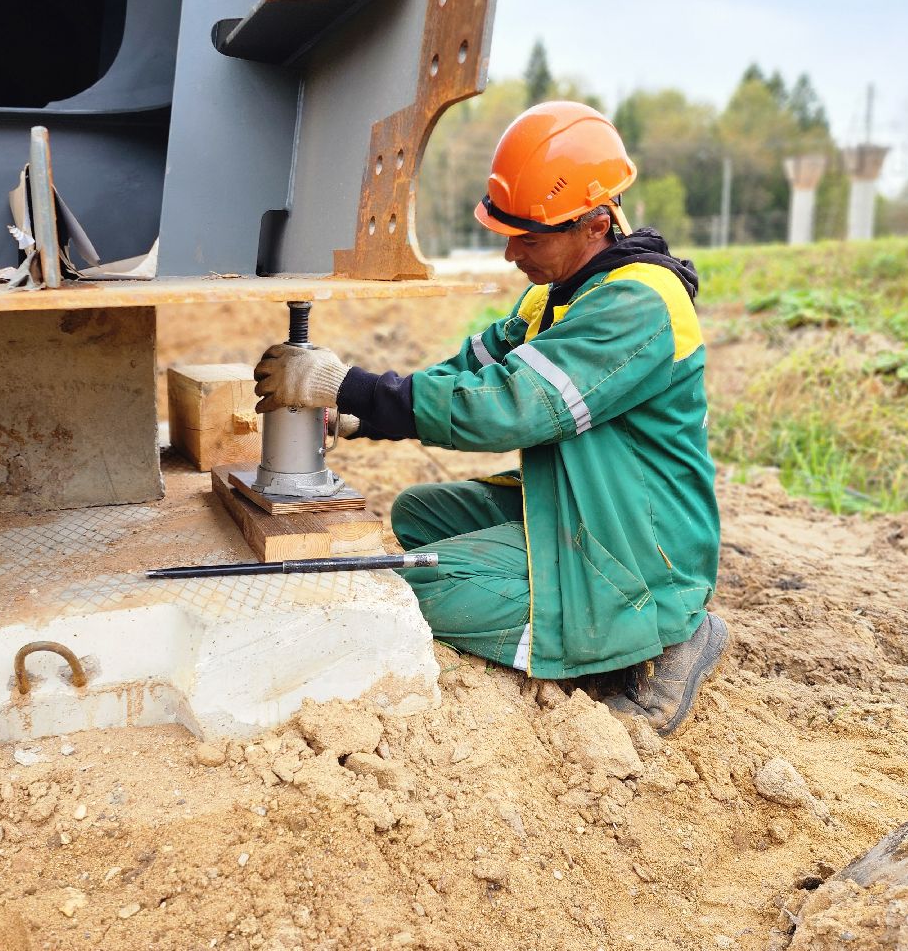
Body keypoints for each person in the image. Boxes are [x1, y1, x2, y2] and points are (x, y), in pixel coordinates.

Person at [254, 101, 726, 735]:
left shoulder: (637, 306)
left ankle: (664, 635)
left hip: (639, 544)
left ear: (592, 223)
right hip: (589, 503)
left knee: (411, 591)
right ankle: (582, 612)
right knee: (418, 513)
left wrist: (349, 384)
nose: (509, 253)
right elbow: (467, 373)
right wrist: (354, 411)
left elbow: (507, 408)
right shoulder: (558, 295)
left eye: (527, 238)